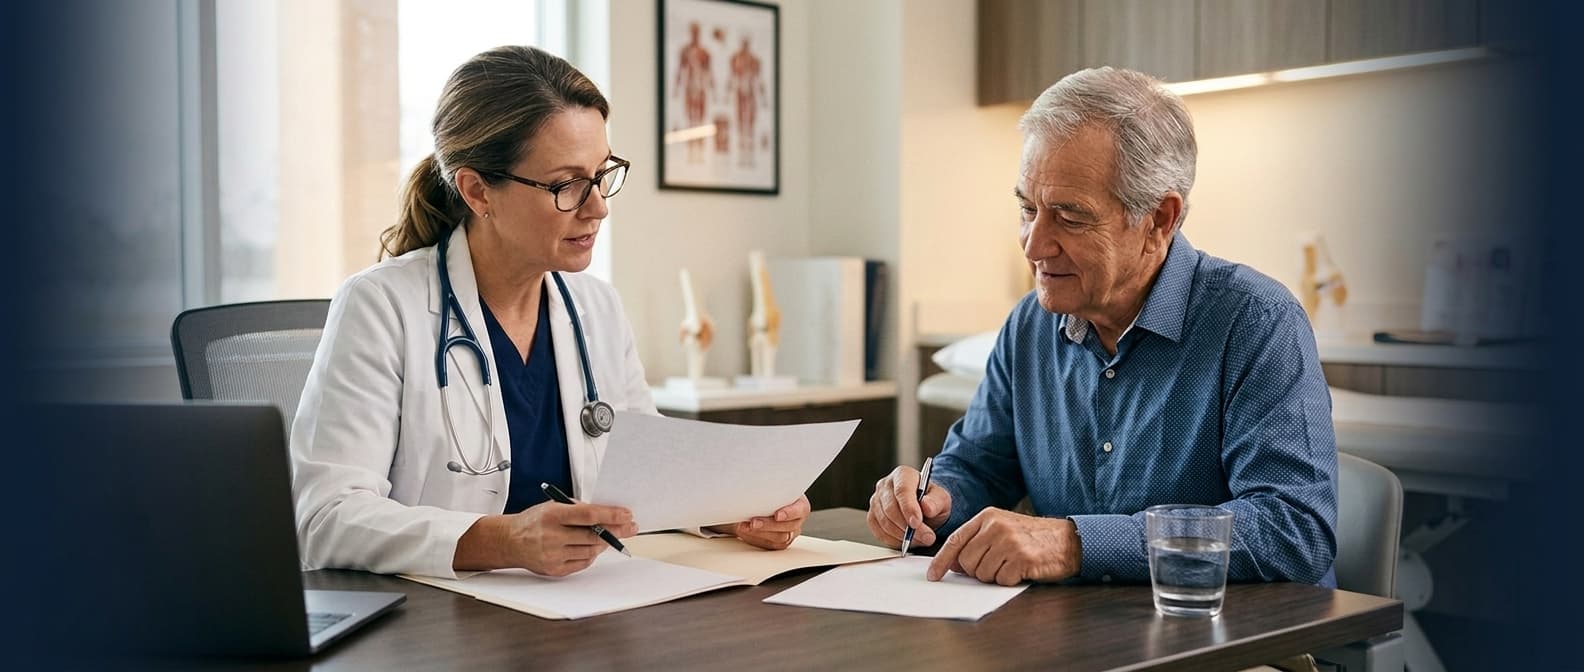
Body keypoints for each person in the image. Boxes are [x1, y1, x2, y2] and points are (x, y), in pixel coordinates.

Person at [291, 46, 808, 580]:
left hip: (580, 618)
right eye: (566, 184)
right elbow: (326, 516)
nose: (599, 206)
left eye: (602, 174)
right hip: (438, 631)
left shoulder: (597, 308)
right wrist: (504, 540)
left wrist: (733, 511)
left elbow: (650, 478)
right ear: (476, 191)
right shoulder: (382, 307)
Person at [868, 67, 1337, 590]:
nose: (1033, 245)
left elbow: (1294, 530)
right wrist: (934, 501)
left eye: (1069, 218)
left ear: (1160, 220)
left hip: (1236, 642)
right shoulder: (1030, 324)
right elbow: (980, 465)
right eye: (1028, 210)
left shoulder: (1257, 323)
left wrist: (1074, 543)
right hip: (1087, 639)